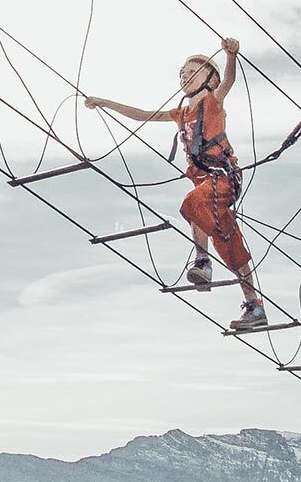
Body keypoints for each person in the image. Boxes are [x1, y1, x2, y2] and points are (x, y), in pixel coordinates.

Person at [84, 39, 270, 333]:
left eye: (192, 72)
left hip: (222, 179)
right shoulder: (180, 114)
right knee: (229, 243)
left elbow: (230, 80)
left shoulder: (213, 102)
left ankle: (202, 261)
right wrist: (105, 102)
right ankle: (254, 305)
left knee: (192, 203)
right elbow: (143, 114)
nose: (185, 77)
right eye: (182, 74)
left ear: (210, 79)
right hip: (204, 186)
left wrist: (230, 56)